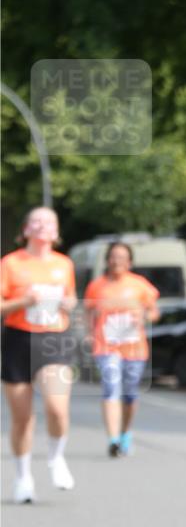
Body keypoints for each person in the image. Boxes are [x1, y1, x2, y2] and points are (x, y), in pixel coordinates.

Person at [1, 206, 77, 503]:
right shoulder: (10, 264)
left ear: (56, 232)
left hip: (54, 340)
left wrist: (68, 303)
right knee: (22, 418)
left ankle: (56, 457)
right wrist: (23, 300)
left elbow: (70, 298)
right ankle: (23, 478)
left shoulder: (64, 264)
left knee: (57, 408)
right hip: (18, 340)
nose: (43, 225)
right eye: (37, 220)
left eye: (49, 221)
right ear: (26, 229)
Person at [84, 242, 160, 457]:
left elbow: (154, 312)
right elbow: (88, 312)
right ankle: (113, 439)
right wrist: (89, 333)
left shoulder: (140, 285)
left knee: (129, 394)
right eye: (113, 257)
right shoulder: (97, 286)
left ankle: (125, 431)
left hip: (135, 348)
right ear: (107, 260)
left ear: (129, 262)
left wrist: (144, 316)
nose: (117, 261)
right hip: (106, 345)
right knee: (111, 386)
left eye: (122, 257)